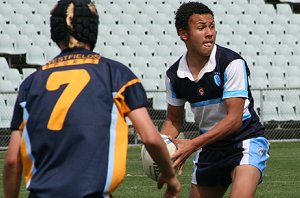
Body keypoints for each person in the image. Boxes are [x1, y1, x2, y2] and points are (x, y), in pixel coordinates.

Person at [3, 0, 180, 197]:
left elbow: (12, 161)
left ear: (55, 32)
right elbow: (151, 139)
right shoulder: (117, 75)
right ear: (92, 29)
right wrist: (170, 178)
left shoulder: (31, 84)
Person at [160, 2, 270, 198]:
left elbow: (234, 119)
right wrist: (162, 149)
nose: (210, 32)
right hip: (209, 145)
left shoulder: (231, 63)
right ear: (183, 34)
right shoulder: (174, 75)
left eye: (212, 26)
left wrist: (192, 144)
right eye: (201, 28)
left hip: (244, 139)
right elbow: (174, 120)